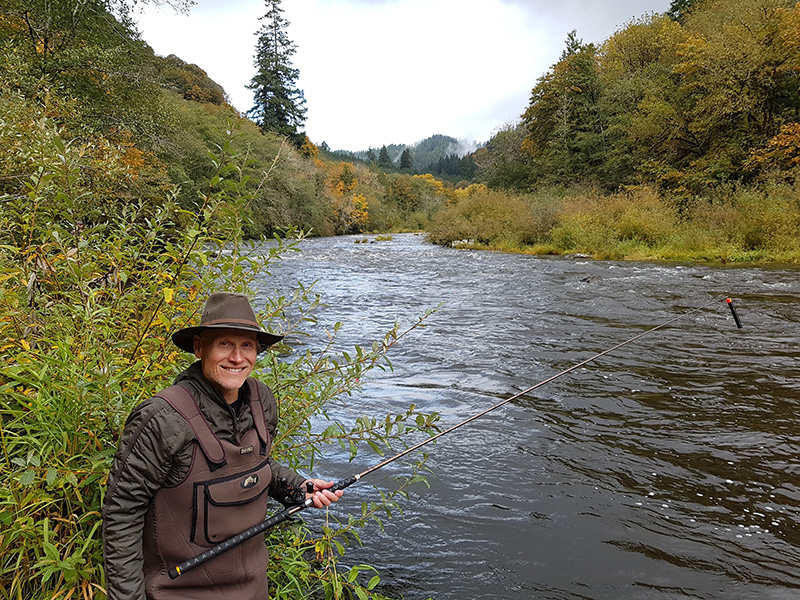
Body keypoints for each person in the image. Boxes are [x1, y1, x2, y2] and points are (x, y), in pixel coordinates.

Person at [103, 292, 342, 599]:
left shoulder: (262, 401)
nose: (238, 358)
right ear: (199, 347)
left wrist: (297, 487)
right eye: (225, 344)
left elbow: (255, 465)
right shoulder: (162, 418)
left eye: (247, 345)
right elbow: (121, 512)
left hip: (255, 589)